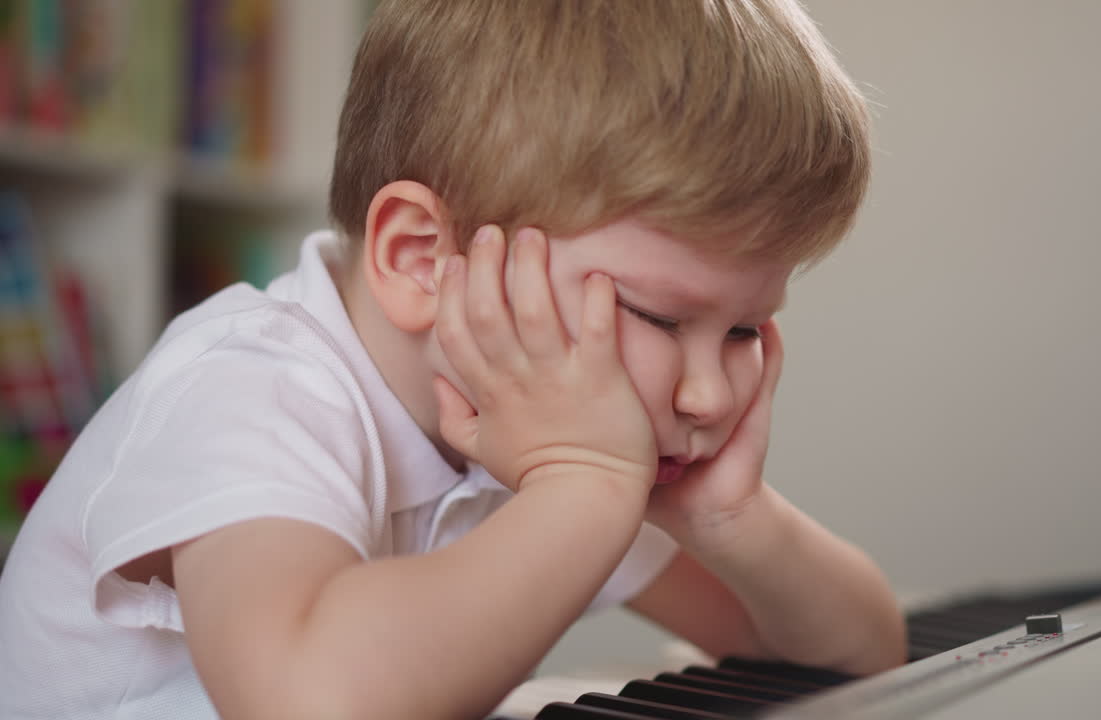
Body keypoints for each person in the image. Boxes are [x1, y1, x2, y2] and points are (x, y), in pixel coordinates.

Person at [0, 1, 907, 717]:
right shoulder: (251, 386)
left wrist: (733, 516)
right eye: (660, 317)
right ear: (422, 259)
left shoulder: (551, 430)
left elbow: (857, 652)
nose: (708, 393)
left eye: (745, 329)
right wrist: (583, 486)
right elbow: (309, 701)